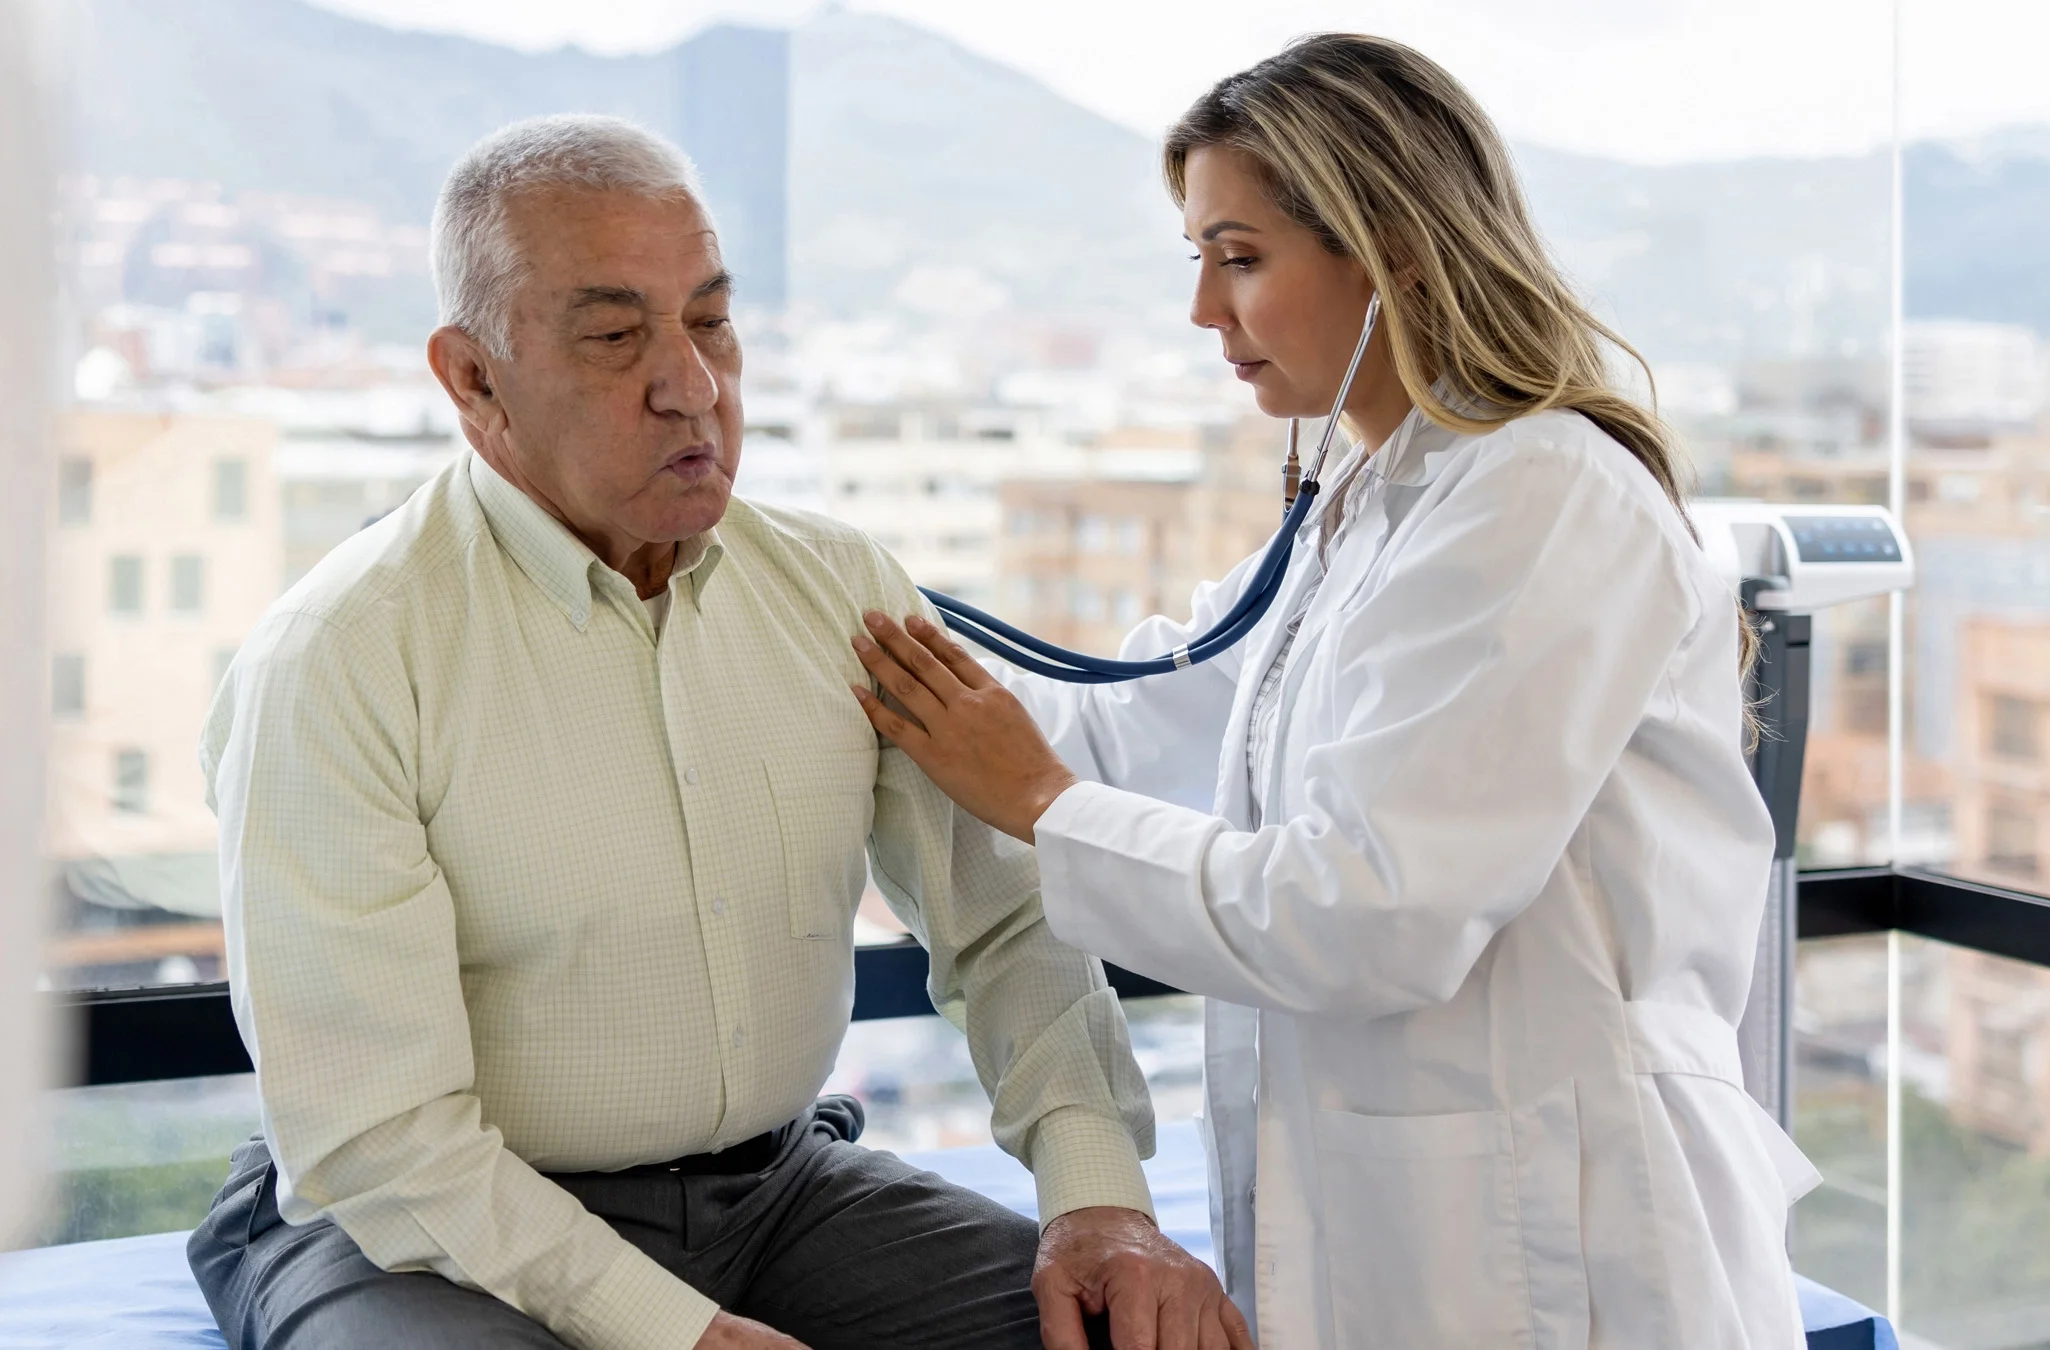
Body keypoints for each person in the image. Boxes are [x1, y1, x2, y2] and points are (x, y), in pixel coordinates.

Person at [189, 115, 1245, 1350]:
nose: (690, 384)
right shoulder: (341, 658)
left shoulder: (841, 588)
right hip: (415, 1234)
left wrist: (1099, 1201)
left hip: (777, 1194)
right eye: (616, 334)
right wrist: (671, 1330)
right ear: (473, 379)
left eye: (710, 320)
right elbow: (376, 1138)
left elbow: (1007, 922)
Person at [848, 34, 1822, 1350]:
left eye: (1239, 257)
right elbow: (1139, 718)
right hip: (1405, 1223)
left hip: (1565, 1246)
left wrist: (1041, 803)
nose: (1204, 311)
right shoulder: (1368, 506)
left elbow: (1376, 912)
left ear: (1394, 251)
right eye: (1196, 257)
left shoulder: (1540, 494)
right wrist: (825, 625)